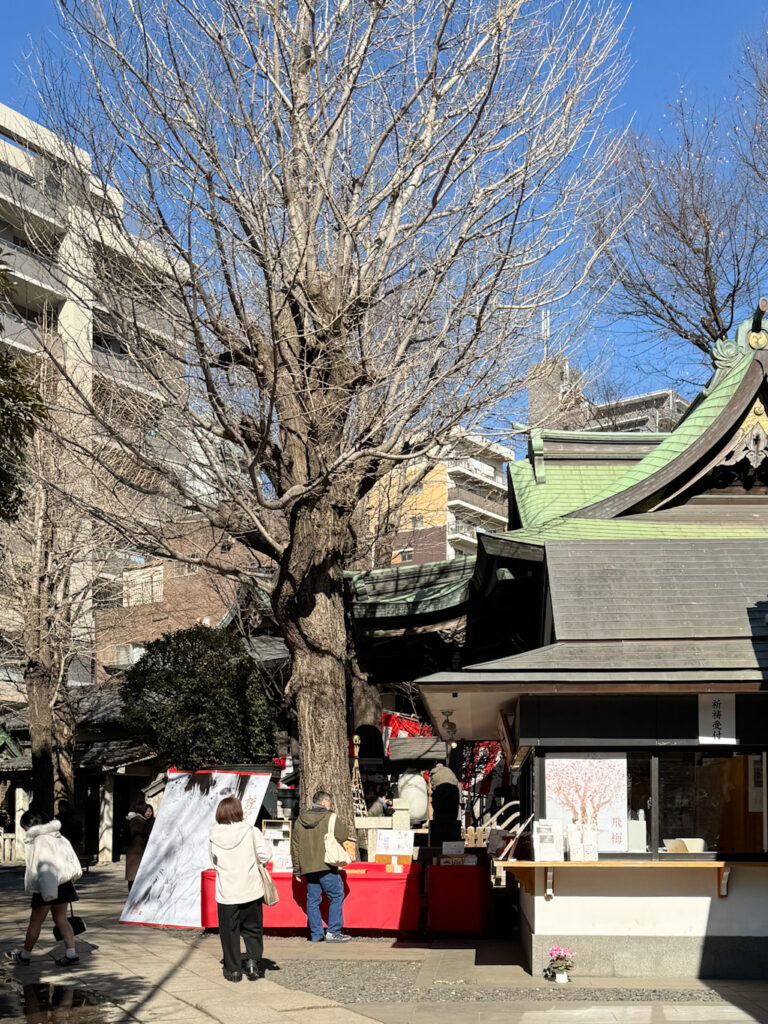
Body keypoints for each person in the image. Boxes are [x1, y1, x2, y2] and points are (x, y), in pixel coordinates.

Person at [4, 808, 83, 966]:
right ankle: (71, 953)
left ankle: (25, 955)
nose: (25, 830)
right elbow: (73, 862)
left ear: (30, 825)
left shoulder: (41, 840)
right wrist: (71, 880)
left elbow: (46, 866)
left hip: (48, 886)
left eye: (24, 827)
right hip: (64, 883)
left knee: (36, 921)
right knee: (61, 919)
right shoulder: (59, 837)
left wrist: (48, 893)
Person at [209, 795, 272, 983]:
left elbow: (213, 861)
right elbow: (265, 855)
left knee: (229, 932)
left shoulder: (213, 834)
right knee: (253, 928)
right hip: (250, 887)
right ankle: (253, 962)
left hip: (227, 891)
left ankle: (233, 970)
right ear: (238, 811)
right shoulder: (251, 831)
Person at [290, 789, 353, 943]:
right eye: (329, 802)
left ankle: (316, 934)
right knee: (337, 895)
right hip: (326, 865)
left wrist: (297, 870)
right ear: (324, 802)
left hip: (308, 867)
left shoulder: (299, 820)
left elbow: (295, 846)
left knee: (312, 900)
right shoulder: (330, 817)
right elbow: (343, 835)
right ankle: (333, 931)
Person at [124, 800, 154, 892]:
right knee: (135, 877)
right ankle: (133, 897)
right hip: (137, 852)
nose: (148, 812)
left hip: (135, 852)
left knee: (134, 876)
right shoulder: (138, 821)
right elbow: (141, 836)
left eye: (149, 811)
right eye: (146, 810)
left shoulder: (137, 820)